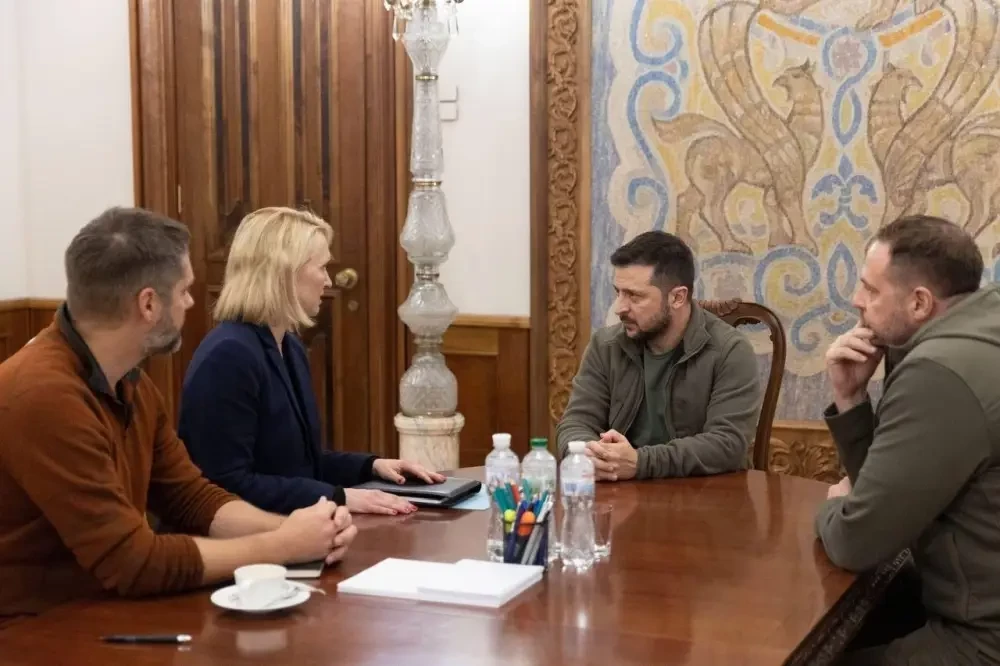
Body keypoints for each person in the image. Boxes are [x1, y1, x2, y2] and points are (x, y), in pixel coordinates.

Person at [0, 207, 356, 624]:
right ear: (149, 304)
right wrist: (283, 546)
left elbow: (190, 498)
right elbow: (131, 560)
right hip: (38, 628)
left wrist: (299, 531)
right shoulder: (43, 395)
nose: (191, 301)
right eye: (185, 290)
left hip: (102, 609)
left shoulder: (128, 379)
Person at [816, 215, 1000, 665]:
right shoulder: (982, 327)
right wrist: (851, 398)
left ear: (920, 302)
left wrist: (831, 507)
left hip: (980, 638)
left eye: (871, 290)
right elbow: (890, 499)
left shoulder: (939, 372)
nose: (857, 300)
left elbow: (858, 541)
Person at [178, 207, 443, 516]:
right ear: (284, 273)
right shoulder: (228, 356)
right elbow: (225, 485)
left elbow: (300, 465)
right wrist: (337, 497)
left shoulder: (288, 345)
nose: (328, 281)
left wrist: (371, 467)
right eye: (322, 268)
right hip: (245, 538)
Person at [556, 230, 762, 480]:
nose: (619, 308)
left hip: (703, 495)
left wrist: (641, 463)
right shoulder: (605, 345)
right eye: (618, 292)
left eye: (634, 296)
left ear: (677, 297)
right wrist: (592, 457)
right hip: (620, 492)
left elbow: (727, 444)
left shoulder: (730, 351)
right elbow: (575, 423)